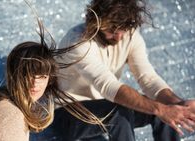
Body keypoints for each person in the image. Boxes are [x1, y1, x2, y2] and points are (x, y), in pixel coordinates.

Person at [52, 0, 195, 140]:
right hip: (67, 114)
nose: (118, 37)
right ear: (96, 21)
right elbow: (108, 86)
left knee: (166, 107)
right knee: (120, 111)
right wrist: (160, 109)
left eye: (123, 31)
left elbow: (148, 79)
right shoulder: (77, 42)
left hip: (104, 108)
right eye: (112, 30)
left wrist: (179, 104)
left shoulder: (129, 36)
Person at [0, 19, 105, 141]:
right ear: (14, 74)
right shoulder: (11, 123)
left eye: (42, 76)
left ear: (49, 79)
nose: (35, 83)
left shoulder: (0, 99)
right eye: (29, 74)